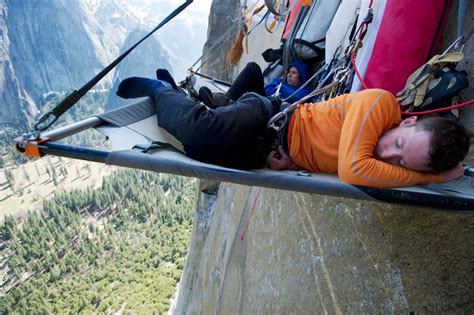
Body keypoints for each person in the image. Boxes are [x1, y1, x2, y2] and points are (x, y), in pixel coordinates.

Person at [116, 75, 470, 188]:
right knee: (206, 133)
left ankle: (217, 103)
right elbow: (352, 170)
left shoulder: (378, 155)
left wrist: (291, 165)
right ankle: (161, 89)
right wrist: (432, 178)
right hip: (271, 114)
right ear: (407, 122)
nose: (388, 156)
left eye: (401, 162)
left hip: (275, 152)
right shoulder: (380, 104)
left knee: (203, 156)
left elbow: (333, 160)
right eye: (398, 144)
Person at [199, 61, 312, 108]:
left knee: (253, 68)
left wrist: (280, 87)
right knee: (252, 68)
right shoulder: (281, 83)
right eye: (289, 72)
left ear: (301, 77)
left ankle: (227, 101)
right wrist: (278, 86)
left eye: (294, 73)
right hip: (262, 98)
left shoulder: (305, 92)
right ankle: (226, 99)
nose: (289, 75)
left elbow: (300, 98)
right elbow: (268, 89)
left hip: (270, 106)